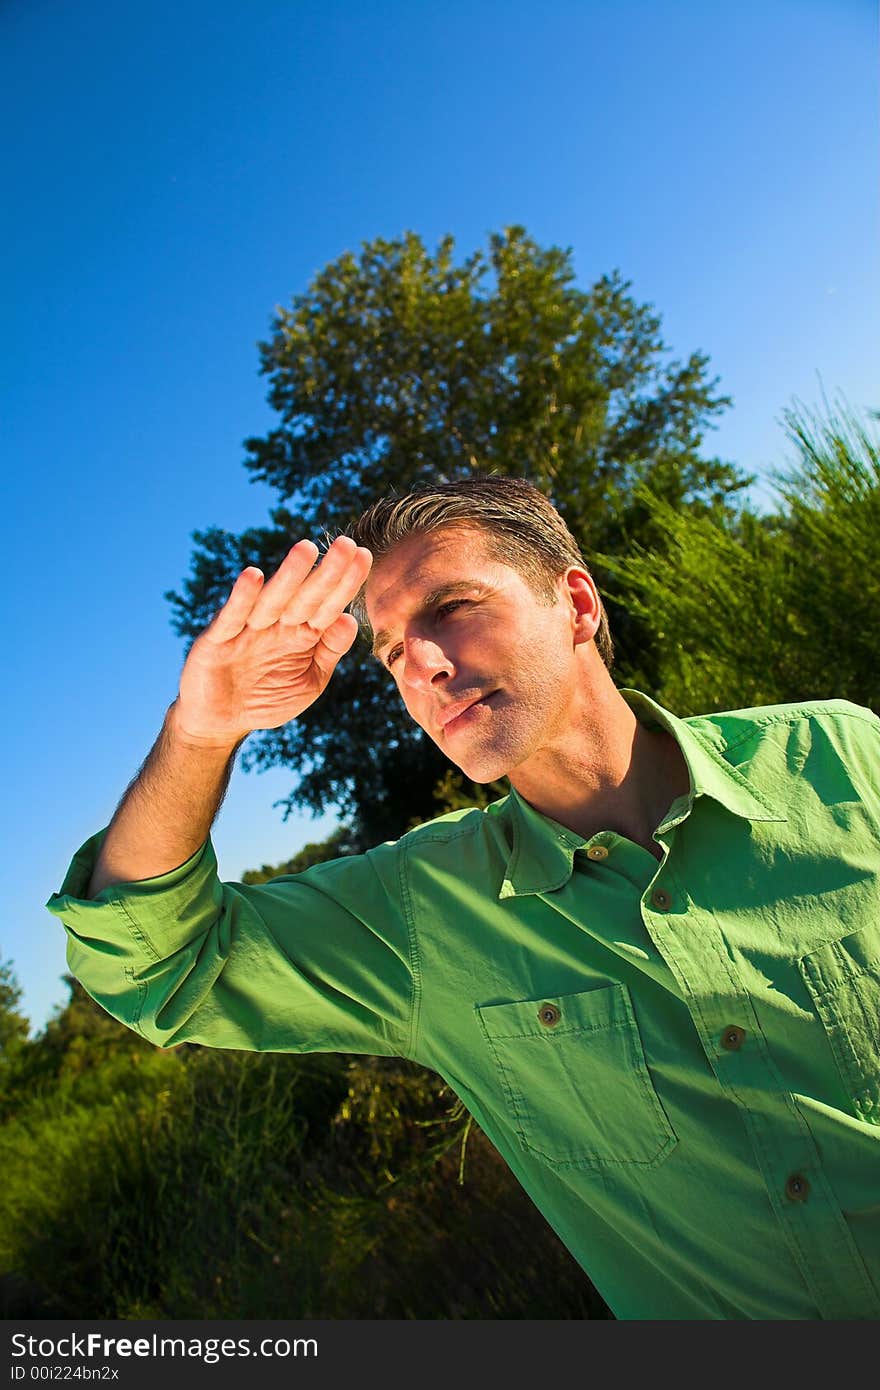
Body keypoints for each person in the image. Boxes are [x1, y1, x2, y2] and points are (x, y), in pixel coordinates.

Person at [47, 476, 880, 1320]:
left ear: (578, 605)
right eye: (392, 653)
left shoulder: (844, 759)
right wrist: (201, 732)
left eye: (451, 609)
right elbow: (156, 960)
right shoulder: (421, 911)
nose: (425, 669)